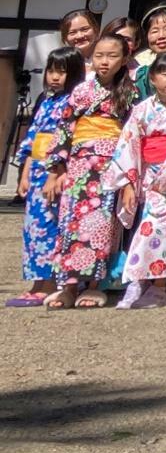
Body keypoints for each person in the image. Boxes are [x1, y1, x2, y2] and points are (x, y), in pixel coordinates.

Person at [107, 50, 166, 308]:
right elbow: (128, 145)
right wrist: (128, 183)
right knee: (150, 230)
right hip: (150, 180)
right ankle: (145, 284)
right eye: (164, 73)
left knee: (164, 233)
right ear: (151, 78)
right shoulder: (142, 109)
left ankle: (155, 286)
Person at [42, 32, 132, 310]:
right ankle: (68, 286)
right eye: (100, 55)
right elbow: (64, 130)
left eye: (113, 55)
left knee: (104, 226)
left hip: (111, 165)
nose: (104, 62)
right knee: (70, 223)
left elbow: (132, 135)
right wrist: (55, 171)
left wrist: (129, 175)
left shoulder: (131, 92)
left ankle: (94, 286)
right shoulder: (81, 91)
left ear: (125, 59)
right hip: (79, 165)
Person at [11, 44, 82, 307]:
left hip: (56, 170)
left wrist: (57, 172)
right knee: (33, 228)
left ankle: (49, 281)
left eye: (62, 71)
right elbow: (31, 141)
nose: (54, 76)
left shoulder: (72, 102)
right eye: (51, 70)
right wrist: (25, 174)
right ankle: (36, 281)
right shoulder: (46, 100)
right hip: (38, 170)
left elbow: (67, 141)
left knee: (50, 226)